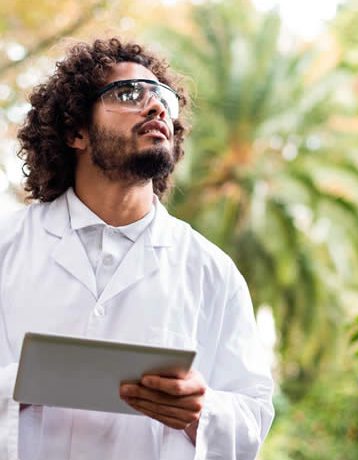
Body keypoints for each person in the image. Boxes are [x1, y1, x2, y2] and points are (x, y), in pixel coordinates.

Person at [0, 38, 274, 460]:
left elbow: (253, 411)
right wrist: (24, 382)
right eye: (129, 94)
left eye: (162, 97)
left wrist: (203, 411)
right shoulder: (6, 247)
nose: (156, 107)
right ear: (76, 131)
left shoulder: (212, 272)